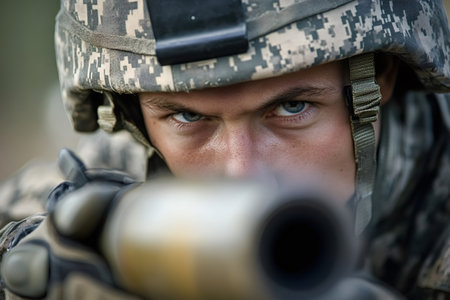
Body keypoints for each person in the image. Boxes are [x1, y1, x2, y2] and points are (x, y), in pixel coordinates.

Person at [0, 0, 449, 299]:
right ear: (135, 119)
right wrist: (29, 258)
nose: (242, 173)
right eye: (190, 118)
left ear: (379, 80)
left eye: (292, 107)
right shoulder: (124, 184)